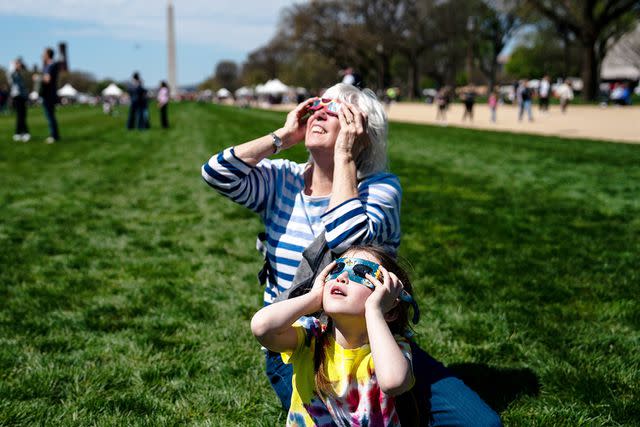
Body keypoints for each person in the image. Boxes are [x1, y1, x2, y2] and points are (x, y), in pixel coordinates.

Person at [202, 83, 501, 426]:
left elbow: (348, 243)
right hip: (300, 341)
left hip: (372, 337)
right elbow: (216, 173)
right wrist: (283, 136)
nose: (319, 114)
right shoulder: (282, 179)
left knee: (479, 423)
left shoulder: (381, 188)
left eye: (336, 111)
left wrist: (344, 157)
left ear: (361, 134)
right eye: (317, 107)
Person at [251, 245, 419, 426]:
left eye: (362, 273)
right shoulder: (311, 338)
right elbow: (262, 327)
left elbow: (393, 382)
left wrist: (374, 310)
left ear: (390, 307)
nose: (342, 277)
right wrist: (315, 298)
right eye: (337, 268)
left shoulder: (391, 349)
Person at [41, 47, 60, 143]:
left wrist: (38, 78)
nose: (42, 55)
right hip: (50, 94)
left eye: (43, 53)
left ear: (47, 55)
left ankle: (54, 135)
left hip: (48, 95)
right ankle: (55, 135)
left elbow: (47, 79)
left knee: (50, 116)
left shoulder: (50, 65)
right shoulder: (50, 65)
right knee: (51, 115)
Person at [9, 58, 30, 142]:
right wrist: (14, 65)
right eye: (18, 64)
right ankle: (23, 132)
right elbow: (12, 73)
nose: (19, 65)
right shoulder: (13, 72)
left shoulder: (19, 73)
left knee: (22, 115)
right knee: (20, 115)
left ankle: (19, 133)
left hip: (22, 96)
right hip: (17, 96)